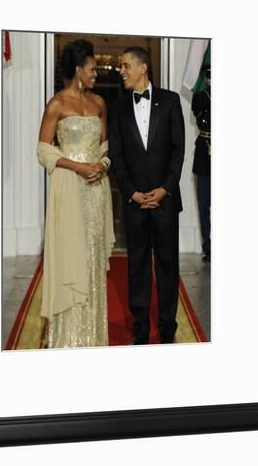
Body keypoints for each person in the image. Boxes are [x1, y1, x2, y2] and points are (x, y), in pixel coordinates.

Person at [36, 39, 115, 348]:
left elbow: (106, 146)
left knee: (92, 257)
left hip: (96, 193)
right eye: (93, 69)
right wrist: (78, 167)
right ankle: (67, 338)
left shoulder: (99, 104)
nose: (97, 74)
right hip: (69, 190)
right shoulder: (56, 104)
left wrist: (103, 165)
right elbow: (43, 151)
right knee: (72, 256)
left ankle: (93, 336)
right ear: (79, 69)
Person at [109, 46, 185, 345]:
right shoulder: (117, 107)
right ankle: (140, 328)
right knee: (137, 267)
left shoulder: (170, 101)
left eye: (126, 65)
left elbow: (178, 150)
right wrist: (132, 193)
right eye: (121, 66)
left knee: (167, 266)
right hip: (135, 203)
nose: (122, 71)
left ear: (143, 68)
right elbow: (116, 155)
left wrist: (164, 189)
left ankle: (168, 328)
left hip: (165, 201)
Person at [191, 67, 211, 262]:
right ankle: (208, 245)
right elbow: (197, 109)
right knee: (204, 202)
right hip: (205, 150)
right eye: (210, 75)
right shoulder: (201, 98)